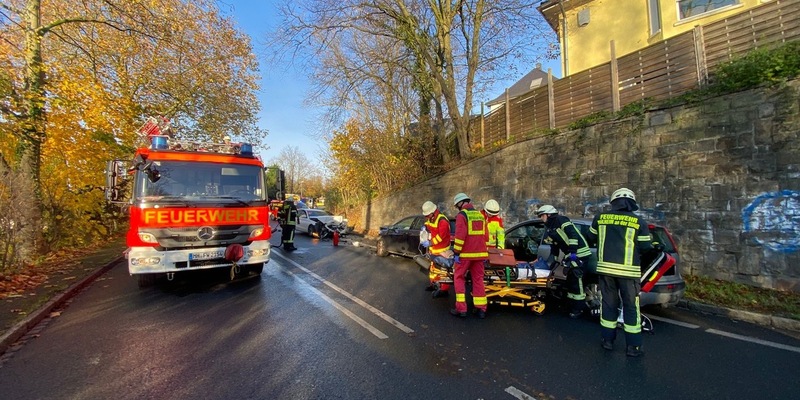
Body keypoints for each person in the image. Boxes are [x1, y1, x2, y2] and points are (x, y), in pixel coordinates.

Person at [586, 188, 654, 357]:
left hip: (606, 271)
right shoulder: (639, 222)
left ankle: (607, 341)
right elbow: (646, 247)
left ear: (613, 202)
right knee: (630, 307)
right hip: (629, 273)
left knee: (609, 305)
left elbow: (590, 237)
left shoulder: (600, 218)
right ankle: (633, 347)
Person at [536, 205, 596, 318]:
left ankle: (578, 309)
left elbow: (573, 235)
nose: (541, 218)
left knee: (577, 281)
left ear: (549, 214)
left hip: (580, 254)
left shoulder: (561, 220)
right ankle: (572, 306)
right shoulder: (550, 227)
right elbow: (554, 246)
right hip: (571, 254)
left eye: (542, 215)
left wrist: (573, 253)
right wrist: (553, 260)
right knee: (571, 281)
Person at [450, 193, 489, 319]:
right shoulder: (480, 215)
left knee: (459, 277)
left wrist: (456, 252)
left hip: (465, 255)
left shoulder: (462, 215)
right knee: (478, 280)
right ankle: (481, 309)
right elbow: (486, 237)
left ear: (460, 204)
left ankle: (461, 309)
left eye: (457, 205)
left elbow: (460, 236)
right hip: (480, 255)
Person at [421, 201, 452, 294]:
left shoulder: (442, 221)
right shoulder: (431, 218)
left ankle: (444, 290)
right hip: (434, 250)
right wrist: (424, 228)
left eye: (427, 215)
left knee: (442, 271)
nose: (426, 217)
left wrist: (430, 243)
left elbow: (441, 237)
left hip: (442, 250)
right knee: (433, 269)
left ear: (433, 212)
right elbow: (428, 225)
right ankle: (433, 284)